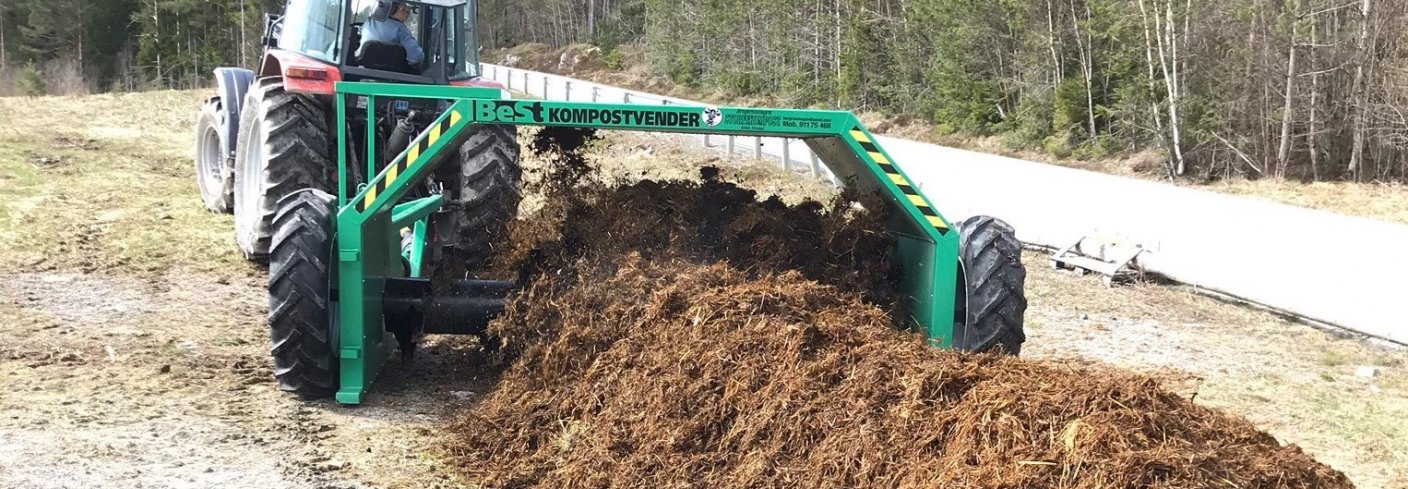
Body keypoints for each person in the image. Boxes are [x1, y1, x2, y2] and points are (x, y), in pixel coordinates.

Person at [358, 1, 423, 68]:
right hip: (393, 76)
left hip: (362, 71)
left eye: (408, 12)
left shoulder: (368, 23)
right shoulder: (400, 29)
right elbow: (415, 57)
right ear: (391, 8)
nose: (406, 15)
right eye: (402, 10)